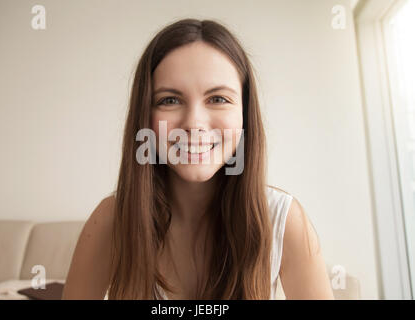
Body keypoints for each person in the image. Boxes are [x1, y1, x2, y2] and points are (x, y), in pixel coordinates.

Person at [62, 18, 334, 300]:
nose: (194, 124)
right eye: (169, 100)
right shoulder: (111, 221)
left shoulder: (283, 220)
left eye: (218, 99)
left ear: (244, 115)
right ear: (145, 117)